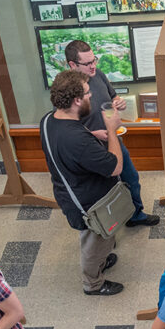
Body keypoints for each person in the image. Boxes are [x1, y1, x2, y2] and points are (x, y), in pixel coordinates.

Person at [40, 70, 124, 296]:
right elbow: (115, 167)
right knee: (94, 245)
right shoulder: (77, 141)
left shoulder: (49, 119)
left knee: (101, 242)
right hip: (89, 205)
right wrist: (111, 131)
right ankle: (93, 283)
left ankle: (101, 261)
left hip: (69, 191)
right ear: (77, 100)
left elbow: (74, 137)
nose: (91, 97)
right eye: (87, 94)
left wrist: (91, 133)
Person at [65, 40, 160, 228]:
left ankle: (136, 215)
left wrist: (120, 103)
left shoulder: (98, 75)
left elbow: (113, 97)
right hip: (90, 149)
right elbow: (67, 129)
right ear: (72, 65)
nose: (93, 66)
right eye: (88, 63)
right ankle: (106, 230)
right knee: (103, 193)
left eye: (95, 60)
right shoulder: (66, 90)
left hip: (114, 140)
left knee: (131, 178)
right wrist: (93, 134)